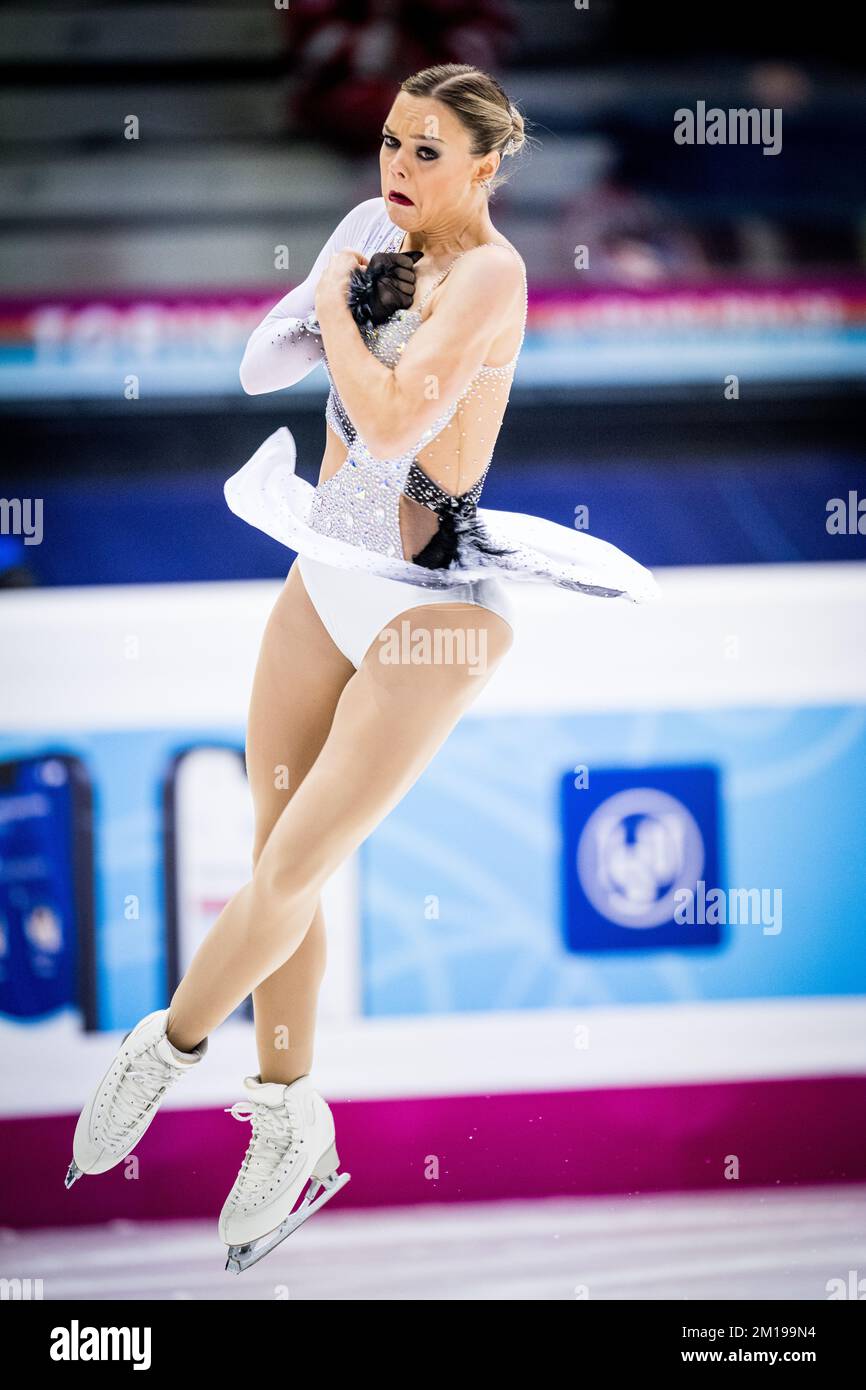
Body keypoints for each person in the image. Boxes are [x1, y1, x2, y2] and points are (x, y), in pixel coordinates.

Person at [64, 64, 659, 1274]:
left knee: (287, 867)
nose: (395, 169)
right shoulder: (364, 232)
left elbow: (389, 427)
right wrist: (336, 289)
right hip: (321, 577)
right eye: (389, 142)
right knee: (286, 876)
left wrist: (339, 305)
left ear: (486, 167)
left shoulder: (494, 273)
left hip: (429, 614)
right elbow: (256, 369)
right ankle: (288, 1122)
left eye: (426, 153)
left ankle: (163, 1049)